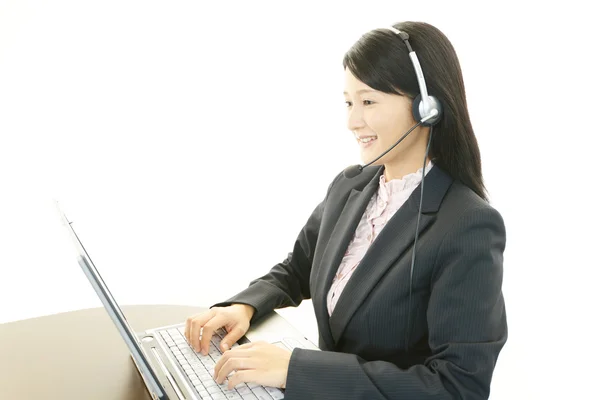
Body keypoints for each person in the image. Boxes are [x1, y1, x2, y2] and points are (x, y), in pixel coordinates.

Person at [184, 21, 507, 399]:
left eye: (368, 102)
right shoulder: (351, 186)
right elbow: (298, 269)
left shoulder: (468, 225)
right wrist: (245, 306)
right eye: (349, 102)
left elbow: (458, 387)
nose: (353, 122)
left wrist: (295, 368)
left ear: (427, 108)